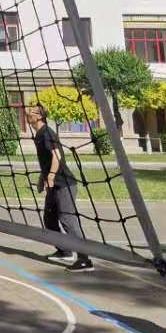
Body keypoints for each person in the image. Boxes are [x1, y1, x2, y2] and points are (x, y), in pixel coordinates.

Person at [25, 104, 94, 272]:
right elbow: (46, 161)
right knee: (49, 219)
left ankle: (84, 259)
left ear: (39, 116)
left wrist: (50, 176)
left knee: (67, 219)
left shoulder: (47, 133)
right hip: (54, 184)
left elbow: (56, 156)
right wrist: (42, 178)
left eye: (32, 111)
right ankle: (65, 250)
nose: (28, 112)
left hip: (64, 184)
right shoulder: (39, 134)